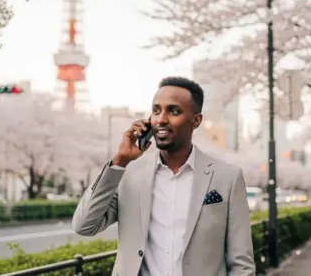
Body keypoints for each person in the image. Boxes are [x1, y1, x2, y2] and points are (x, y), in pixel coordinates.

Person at [72, 76, 256, 276]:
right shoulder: (129, 174)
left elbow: (242, 265)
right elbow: (84, 225)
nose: (161, 119)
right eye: (156, 110)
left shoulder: (227, 177)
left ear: (196, 120)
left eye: (174, 111)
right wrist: (120, 160)